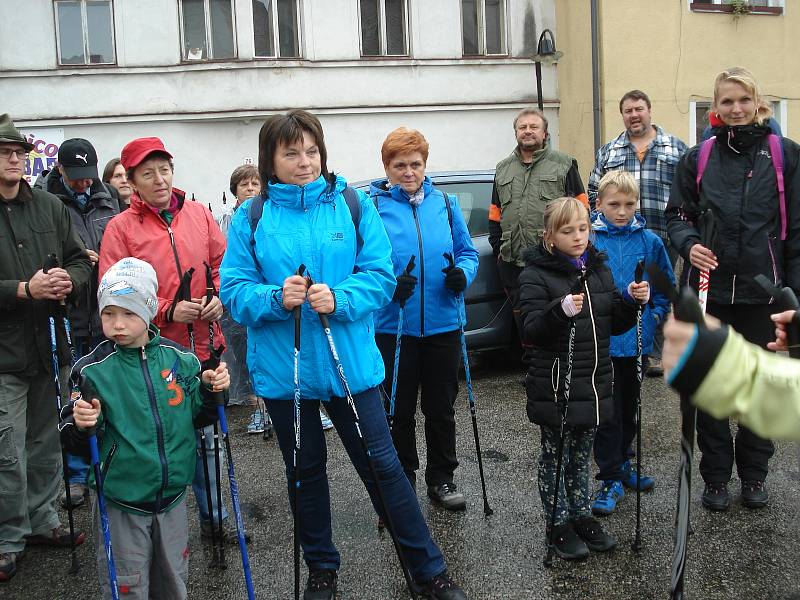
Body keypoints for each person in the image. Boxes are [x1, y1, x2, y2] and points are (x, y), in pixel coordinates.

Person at [220, 109, 468, 599]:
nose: (304, 161)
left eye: (311, 150)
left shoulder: (352, 204)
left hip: (349, 366)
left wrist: (340, 297)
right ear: (270, 160)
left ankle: (428, 571)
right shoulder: (252, 217)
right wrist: (273, 298)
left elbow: (379, 275)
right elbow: (233, 290)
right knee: (305, 473)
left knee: (384, 468)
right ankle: (322, 569)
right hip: (284, 371)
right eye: (290, 152)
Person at [666, 66, 800, 512]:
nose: (736, 108)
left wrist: (792, 296)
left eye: (743, 100)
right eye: (727, 101)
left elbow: (796, 231)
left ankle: (755, 476)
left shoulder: (785, 155)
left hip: (764, 294)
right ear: (715, 108)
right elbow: (677, 217)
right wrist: (691, 245)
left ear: (758, 103)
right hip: (712, 293)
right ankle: (717, 477)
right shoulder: (698, 157)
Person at [97, 137, 243, 544]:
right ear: (132, 181)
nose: (159, 180)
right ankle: (161, 520)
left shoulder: (198, 214)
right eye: (148, 173)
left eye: (164, 170)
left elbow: (222, 265)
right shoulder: (120, 229)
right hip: (153, 353)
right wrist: (165, 310)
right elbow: (113, 290)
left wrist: (216, 298)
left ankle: (214, 518)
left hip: (205, 347)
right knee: (164, 434)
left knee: (209, 440)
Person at [60, 257, 229, 599]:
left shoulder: (180, 359)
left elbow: (198, 415)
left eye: (129, 313)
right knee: (128, 584)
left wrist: (213, 390)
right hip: (122, 499)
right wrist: (82, 423)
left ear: (150, 311)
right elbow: (73, 436)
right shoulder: (92, 370)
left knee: (173, 580)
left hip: (172, 498)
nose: (117, 324)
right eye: (109, 314)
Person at [517, 196, 647, 561]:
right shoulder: (536, 275)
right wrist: (559, 310)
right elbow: (531, 329)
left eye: (583, 229)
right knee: (556, 456)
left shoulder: (598, 269)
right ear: (549, 237)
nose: (577, 237)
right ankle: (557, 523)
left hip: (593, 381)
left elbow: (613, 322)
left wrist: (631, 300)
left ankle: (581, 515)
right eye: (567, 230)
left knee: (580, 455)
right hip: (558, 383)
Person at [0, 113, 91, 582]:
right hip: (4, 354)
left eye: (18, 152)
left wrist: (66, 280)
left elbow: (79, 261)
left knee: (43, 441)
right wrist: (20, 289)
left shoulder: (50, 207)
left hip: (48, 345)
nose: (14, 158)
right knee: (5, 447)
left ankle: (41, 519)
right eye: (4, 152)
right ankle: (6, 536)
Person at [370, 127, 479, 511]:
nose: (408, 172)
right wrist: (387, 286)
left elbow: (468, 253)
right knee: (396, 410)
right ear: (387, 167)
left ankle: (443, 479)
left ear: (425, 165)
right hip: (392, 326)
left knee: (440, 408)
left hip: (443, 324)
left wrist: (462, 276)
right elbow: (362, 265)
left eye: (415, 164)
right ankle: (402, 480)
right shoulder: (372, 207)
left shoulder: (445, 204)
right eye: (399, 165)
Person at [36, 138, 121, 509]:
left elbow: (121, 245)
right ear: (60, 170)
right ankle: (73, 476)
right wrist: (75, 263)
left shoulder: (109, 199)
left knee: (107, 394)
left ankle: (107, 464)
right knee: (73, 395)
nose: (84, 184)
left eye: (89, 177)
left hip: (105, 309)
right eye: (76, 178)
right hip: (68, 314)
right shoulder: (45, 204)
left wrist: (103, 257)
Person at [588, 171, 675, 516]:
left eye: (628, 204)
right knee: (606, 414)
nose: (622, 211)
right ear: (599, 205)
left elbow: (665, 286)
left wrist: (653, 315)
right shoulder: (592, 241)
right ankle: (608, 476)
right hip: (602, 343)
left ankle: (624, 463)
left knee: (630, 409)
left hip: (636, 341)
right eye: (614, 205)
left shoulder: (649, 241)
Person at [587, 90, 687, 377]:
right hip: (616, 235)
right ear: (623, 115)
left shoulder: (675, 147)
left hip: (661, 235)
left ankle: (652, 350)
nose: (634, 114)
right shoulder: (610, 150)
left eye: (639, 109)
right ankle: (616, 344)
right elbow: (595, 187)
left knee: (656, 291)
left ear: (649, 110)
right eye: (628, 110)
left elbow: (689, 192)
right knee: (620, 287)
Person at [488, 107, 589, 364]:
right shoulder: (502, 169)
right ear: (516, 133)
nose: (528, 131)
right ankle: (534, 365)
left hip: (551, 259)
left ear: (544, 134)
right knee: (524, 316)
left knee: (555, 310)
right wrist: (499, 248)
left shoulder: (564, 164)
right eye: (523, 127)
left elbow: (581, 209)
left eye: (534, 127)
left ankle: (561, 362)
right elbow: (494, 215)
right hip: (513, 261)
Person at [663, 310, 800, 442]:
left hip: (760, 304)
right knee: (711, 428)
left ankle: (753, 465)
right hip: (715, 301)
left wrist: (738, 374)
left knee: (754, 441)